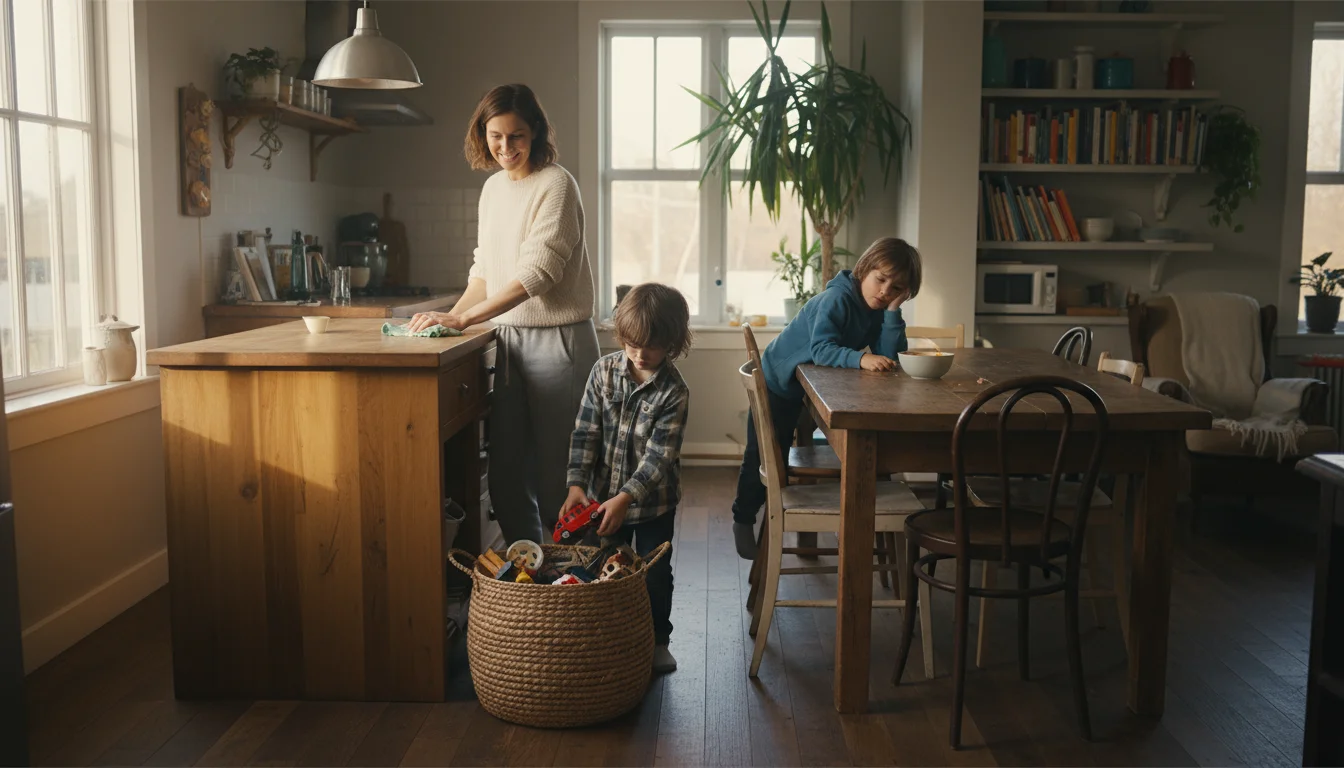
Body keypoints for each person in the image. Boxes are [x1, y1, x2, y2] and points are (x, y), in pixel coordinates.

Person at [408, 84, 598, 546]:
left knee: (561, 476)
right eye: (496, 136)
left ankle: (575, 587)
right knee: (507, 473)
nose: (506, 147)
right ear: (482, 134)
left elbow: (535, 275)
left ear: (535, 133)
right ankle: (527, 578)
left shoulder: (557, 185)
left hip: (560, 344)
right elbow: (485, 272)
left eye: (516, 136)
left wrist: (464, 320)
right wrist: (447, 323)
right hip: (507, 342)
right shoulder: (493, 188)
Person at [730, 237, 923, 560]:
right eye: (881, 280)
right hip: (778, 383)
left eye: (896, 289)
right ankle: (743, 517)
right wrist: (860, 360)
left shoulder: (877, 307)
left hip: (807, 385)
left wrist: (892, 312)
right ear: (864, 270)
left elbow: (891, 357)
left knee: (814, 441)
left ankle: (844, 516)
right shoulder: (837, 299)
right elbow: (821, 349)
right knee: (764, 455)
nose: (884, 292)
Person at [563, 283, 691, 674]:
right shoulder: (603, 372)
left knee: (654, 572)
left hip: (653, 504)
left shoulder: (675, 392)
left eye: (651, 346)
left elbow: (659, 458)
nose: (639, 353)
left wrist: (626, 497)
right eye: (632, 343)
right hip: (600, 502)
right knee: (604, 568)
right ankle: (610, 637)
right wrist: (576, 485)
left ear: (672, 341)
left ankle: (657, 641)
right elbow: (586, 433)